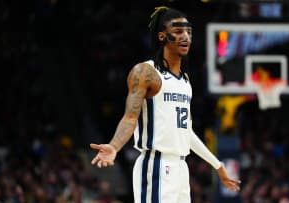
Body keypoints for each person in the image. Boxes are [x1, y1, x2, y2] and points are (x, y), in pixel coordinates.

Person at [90, 6, 241, 203]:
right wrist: (114, 146)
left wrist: (218, 165)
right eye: (178, 31)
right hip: (156, 166)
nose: (185, 36)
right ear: (162, 37)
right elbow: (130, 117)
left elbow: (185, 133)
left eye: (188, 31)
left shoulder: (184, 81)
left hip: (181, 169)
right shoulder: (145, 72)